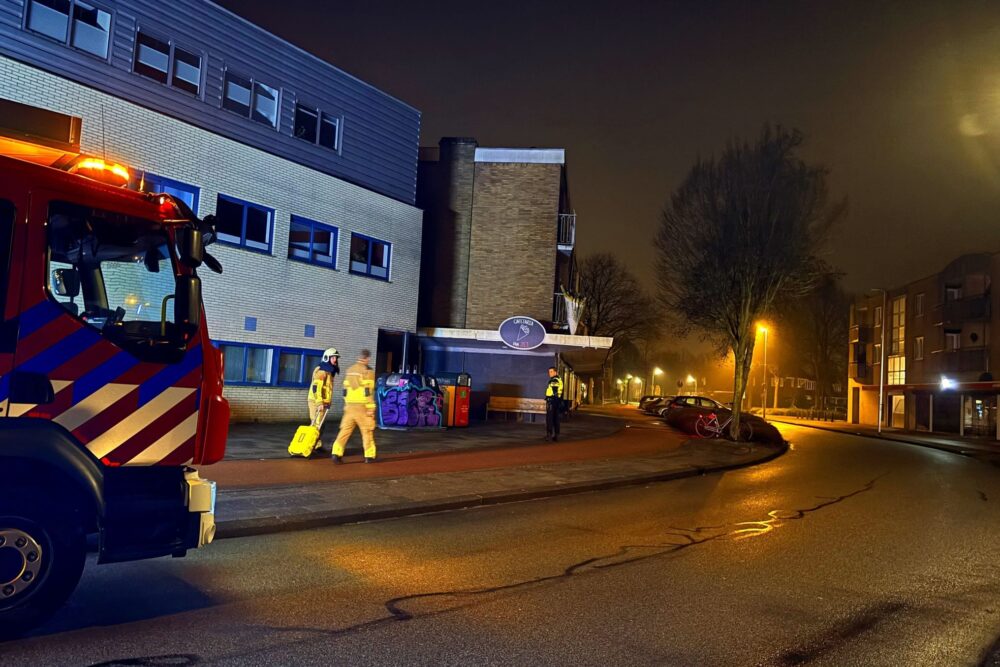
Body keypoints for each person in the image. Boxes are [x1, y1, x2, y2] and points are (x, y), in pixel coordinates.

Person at [332, 349, 377, 463]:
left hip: (350, 407)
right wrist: (371, 408)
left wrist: (347, 404)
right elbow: (368, 391)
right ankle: (369, 456)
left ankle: (336, 453)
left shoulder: (350, 370)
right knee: (367, 431)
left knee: (344, 431)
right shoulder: (368, 371)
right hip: (362, 407)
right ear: (368, 358)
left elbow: (344, 391)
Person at [307, 347, 339, 447]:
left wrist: (327, 401)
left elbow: (327, 389)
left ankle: (317, 445)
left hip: (322, 402)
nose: (335, 360)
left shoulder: (329, 371)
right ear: (327, 358)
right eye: (333, 357)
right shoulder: (322, 371)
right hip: (315, 401)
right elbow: (316, 388)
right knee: (316, 424)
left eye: (336, 358)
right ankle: (311, 445)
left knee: (320, 424)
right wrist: (320, 402)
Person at [545, 366, 564, 441]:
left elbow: (555, 391)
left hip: (552, 402)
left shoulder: (554, 380)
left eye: (551, 372)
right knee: (556, 419)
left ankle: (549, 435)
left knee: (550, 419)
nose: (549, 373)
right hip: (556, 401)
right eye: (549, 372)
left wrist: (552, 400)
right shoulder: (559, 379)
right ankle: (556, 435)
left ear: (555, 372)